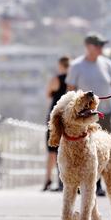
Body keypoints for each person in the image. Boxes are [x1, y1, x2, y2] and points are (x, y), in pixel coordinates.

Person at [66, 32, 111, 197]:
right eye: (99, 45)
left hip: (104, 114)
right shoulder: (76, 66)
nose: (102, 48)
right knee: (83, 149)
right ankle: (81, 181)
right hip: (82, 116)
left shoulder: (107, 64)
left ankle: (98, 183)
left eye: (103, 45)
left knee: (100, 149)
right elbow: (69, 92)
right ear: (88, 47)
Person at [43, 56, 70, 192]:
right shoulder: (73, 80)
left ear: (60, 65)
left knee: (52, 150)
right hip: (67, 116)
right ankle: (64, 180)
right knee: (66, 148)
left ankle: (48, 179)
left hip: (55, 116)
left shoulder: (56, 79)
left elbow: (48, 93)